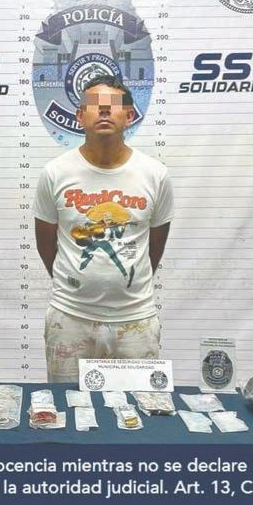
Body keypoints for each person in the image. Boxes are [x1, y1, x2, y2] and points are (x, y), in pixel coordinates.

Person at [33, 75, 173, 382]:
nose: (105, 110)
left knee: (140, 406)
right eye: (95, 104)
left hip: (135, 320)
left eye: (114, 104)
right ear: (80, 116)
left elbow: (155, 246)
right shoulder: (55, 173)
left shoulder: (155, 175)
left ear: (129, 115)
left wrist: (124, 282)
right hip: (70, 317)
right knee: (67, 406)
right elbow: (46, 244)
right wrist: (77, 282)